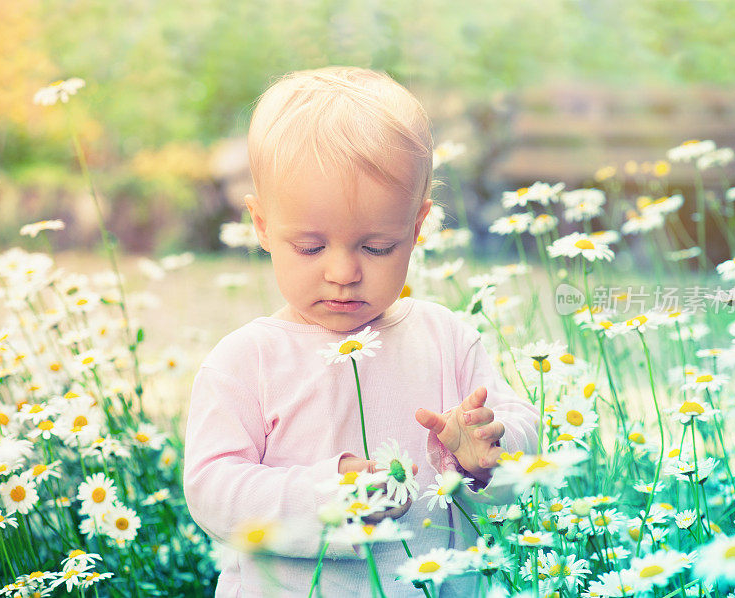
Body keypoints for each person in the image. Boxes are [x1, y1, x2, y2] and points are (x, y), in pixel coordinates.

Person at [183, 66, 539, 597]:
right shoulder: (247, 361)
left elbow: (521, 440)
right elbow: (213, 491)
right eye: (310, 247)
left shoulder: (445, 338)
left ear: (417, 227)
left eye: (377, 247)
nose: (344, 272)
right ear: (261, 226)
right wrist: (331, 495)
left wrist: (488, 450)